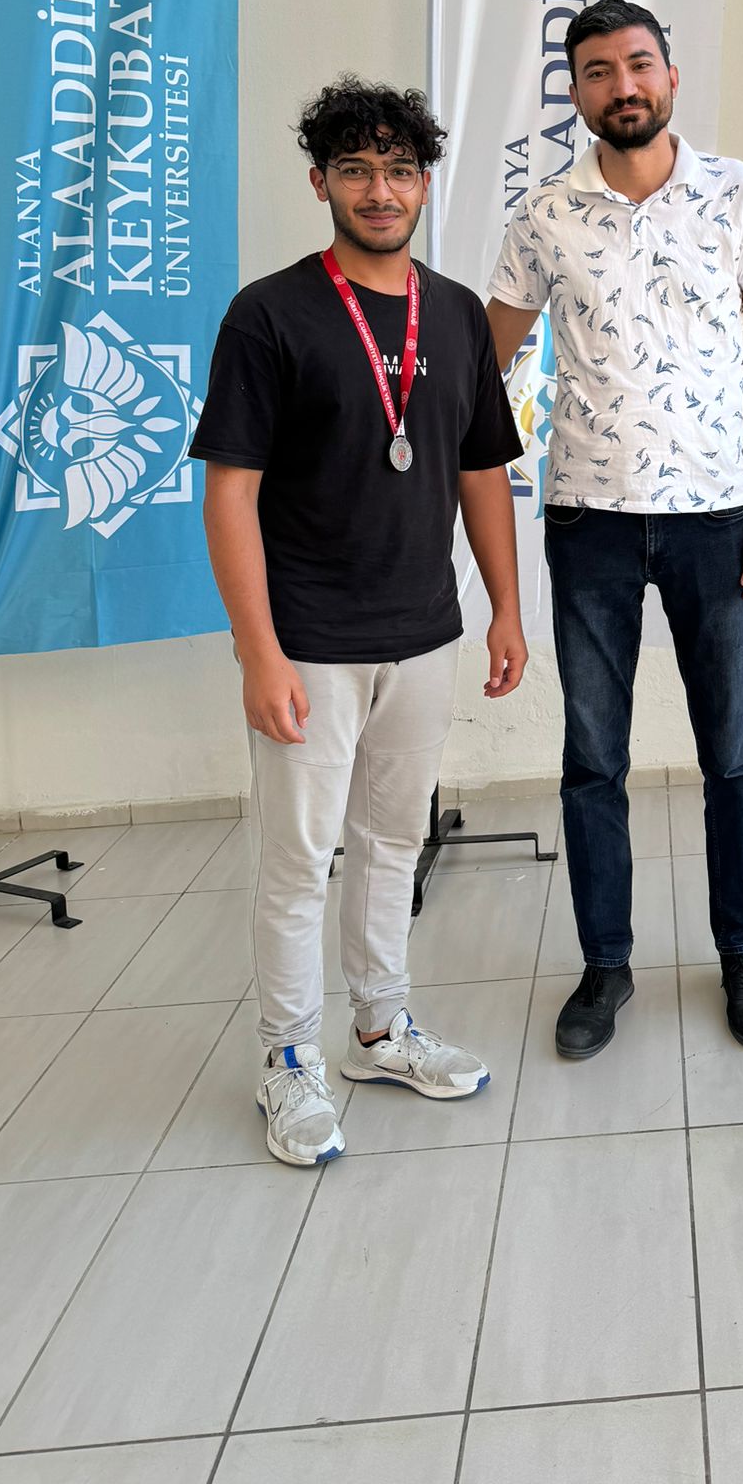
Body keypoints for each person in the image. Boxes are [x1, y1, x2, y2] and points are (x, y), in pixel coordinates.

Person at [193, 79, 528, 1167]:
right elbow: (230, 491)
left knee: (393, 842)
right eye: (355, 170)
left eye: (398, 170)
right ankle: (287, 1058)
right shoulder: (270, 314)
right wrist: (259, 651)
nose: (379, 191)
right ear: (320, 183)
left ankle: (379, 1031)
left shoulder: (458, 312)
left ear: (425, 183)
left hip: (423, 631)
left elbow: (481, 468)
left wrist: (505, 607)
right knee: (298, 862)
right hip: (308, 641)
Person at [488, 0, 743, 1059]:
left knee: (732, 754)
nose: (622, 85)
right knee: (592, 760)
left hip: (716, 518)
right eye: (597, 71)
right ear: (575, 93)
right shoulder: (544, 215)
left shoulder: (737, 192)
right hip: (589, 521)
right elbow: (487, 360)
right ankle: (605, 965)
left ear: (670, 75)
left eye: (638, 64)